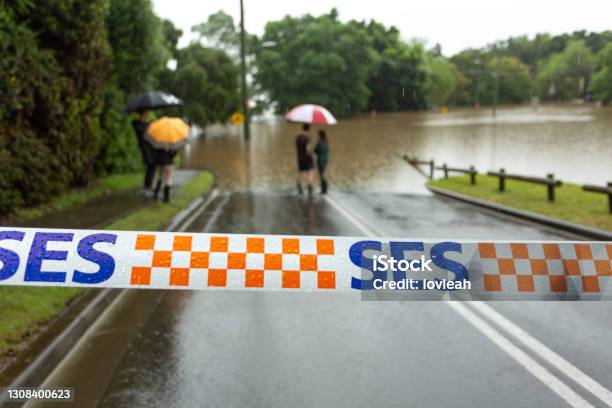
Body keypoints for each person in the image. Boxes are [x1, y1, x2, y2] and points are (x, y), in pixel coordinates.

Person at [132, 110, 156, 195]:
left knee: (153, 165)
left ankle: (148, 185)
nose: (147, 115)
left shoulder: (148, 123)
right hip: (145, 147)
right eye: (145, 114)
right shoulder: (137, 124)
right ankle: (147, 186)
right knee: (150, 164)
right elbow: (143, 134)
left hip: (151, 147)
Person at [295, 123, 314, 197]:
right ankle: (310, 190)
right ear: (309, 129)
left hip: (300, 158)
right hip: (307, 159)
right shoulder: (307, 138)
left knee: (300, 173)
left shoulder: (298, 138)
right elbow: (308, 150)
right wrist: (312, 155)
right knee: (310, 173)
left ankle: (299, 188)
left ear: (302, 128)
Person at [314, 130, 329, 194]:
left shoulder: (320, 143)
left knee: (321, 175)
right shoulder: (326, 142)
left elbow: (315, 151)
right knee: (322, 174)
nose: (317, 135)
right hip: (325, 160)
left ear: (320, 135)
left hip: (321, 161)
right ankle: (324, 188)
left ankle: (324, 189)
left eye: (318, 134)